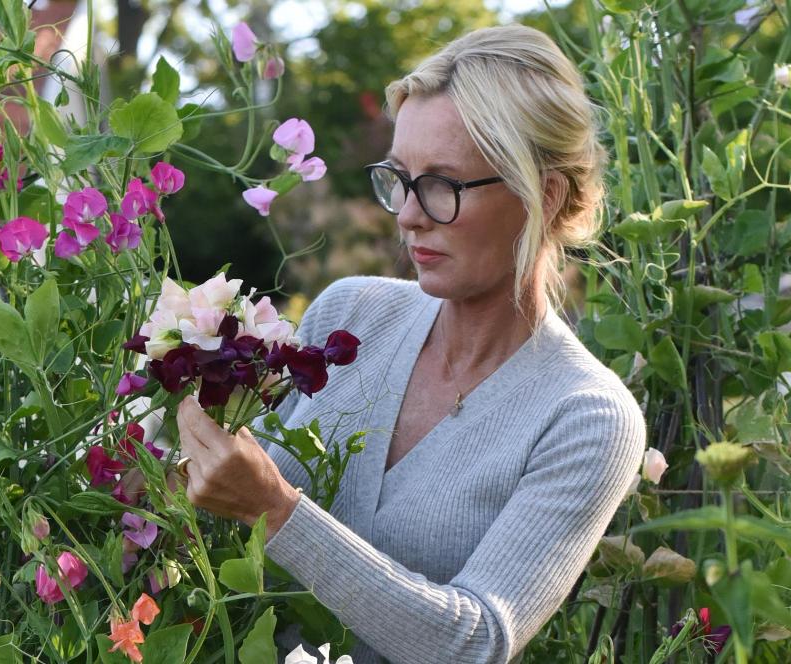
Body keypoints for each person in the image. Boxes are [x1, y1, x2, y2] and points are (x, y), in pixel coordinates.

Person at [171, 24, 647, 664]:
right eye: (399, 177)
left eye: (443, 184)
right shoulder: (350, 316)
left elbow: (476, 643)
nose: (408, 214)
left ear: (545, 195)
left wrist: (277, 511)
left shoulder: (586, 417)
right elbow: (218, 518)